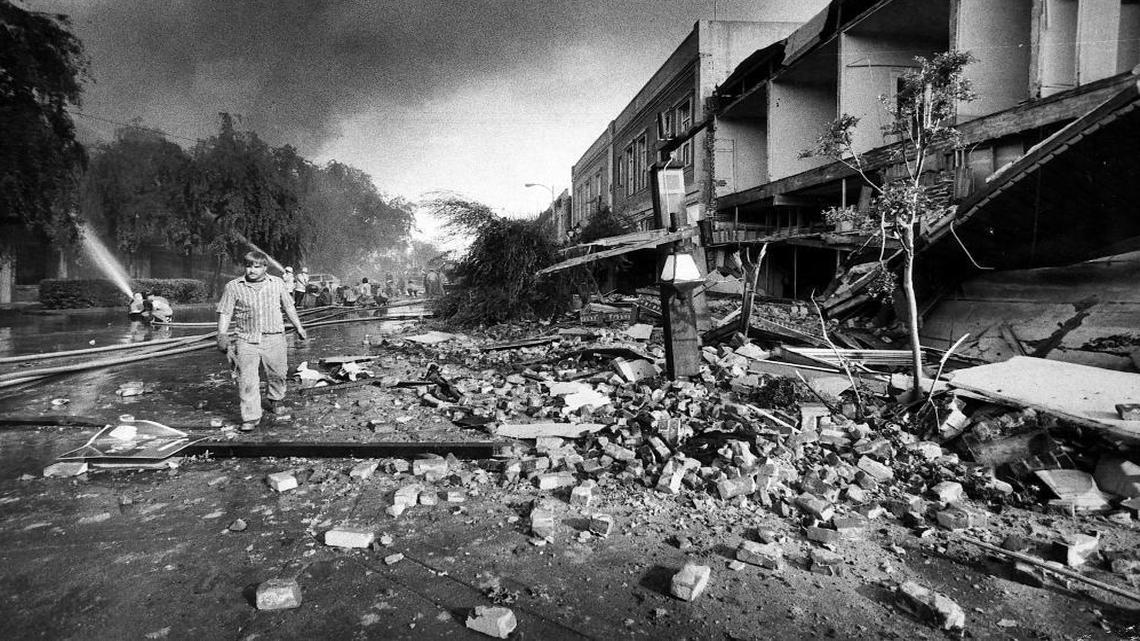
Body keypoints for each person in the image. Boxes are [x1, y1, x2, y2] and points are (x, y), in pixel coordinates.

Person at [216, 250, 308, 432]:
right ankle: (251, 416)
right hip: (246, 339)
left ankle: (276, 399)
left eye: (256, 267)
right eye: (248, 266)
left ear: (265, 267)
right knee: (247, 379)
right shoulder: (233, 286)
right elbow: (226, 312)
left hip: (274, 337)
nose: (251, 270)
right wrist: (222, 334)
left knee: (278, 373)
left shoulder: (277, 283)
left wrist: (299, 327)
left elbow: (289, 306)